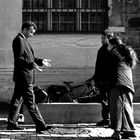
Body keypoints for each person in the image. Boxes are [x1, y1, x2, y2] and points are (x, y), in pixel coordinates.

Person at [7, 21, 52, 133]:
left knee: (16, 102)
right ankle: (40, 125)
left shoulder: (23, 40)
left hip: (22, 77)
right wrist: (31, 65)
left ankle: (11, 124)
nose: (32, 34)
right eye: (31, 32)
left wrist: (40, 61)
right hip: (24, 77)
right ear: (25, 29)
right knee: (31, 102)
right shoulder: (19, 40)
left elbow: (29, 58)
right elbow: (20, 58)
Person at [107, 37, 138, 139]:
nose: (107, 47)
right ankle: (130, 131)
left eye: (108, 45)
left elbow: (106, 70)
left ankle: (117, 132)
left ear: (113, 45)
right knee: (127, 107)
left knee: (117, 108)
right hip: (128, 84)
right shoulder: (128, 53)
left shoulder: (113, 54)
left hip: (117, 83)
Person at [88, 29, 114, 127]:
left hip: (110, 80)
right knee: (103, 101)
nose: (102, 40)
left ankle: (112, 120)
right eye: (101, 38)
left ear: (109, 38)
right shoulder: (101, 50)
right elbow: (98, 66)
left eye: (104, 38)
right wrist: (94, 78)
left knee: (111, 101)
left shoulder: (112, 50)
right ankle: (106, 119)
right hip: (101, 80)